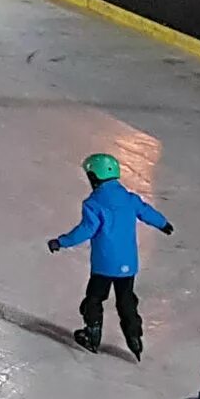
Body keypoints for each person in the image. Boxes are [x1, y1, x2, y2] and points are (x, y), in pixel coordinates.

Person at [47, 150, 172, 359]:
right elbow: (146, 211)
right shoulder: (129, 199)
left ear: (94, 177)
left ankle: (92, 334)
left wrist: (62, 242)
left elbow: (86, 230)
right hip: (127, 263)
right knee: (126, 300)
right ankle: (134, 337)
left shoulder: (93, 204)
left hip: (104, 264)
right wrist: (163, 223)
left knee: (94, 299)